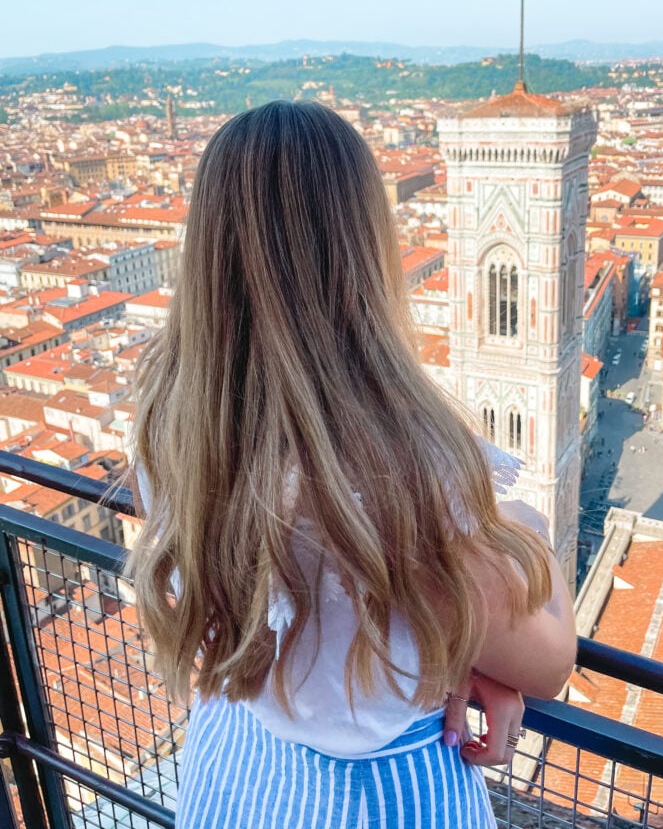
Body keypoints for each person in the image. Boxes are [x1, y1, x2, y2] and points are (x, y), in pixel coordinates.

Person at [128, 101, 576, 828]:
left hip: (236, 771)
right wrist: (522, 521)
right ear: (364, 250)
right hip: (385, 799)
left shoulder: (170, 426)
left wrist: (450, 644)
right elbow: (549, 660)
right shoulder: (408, 471)